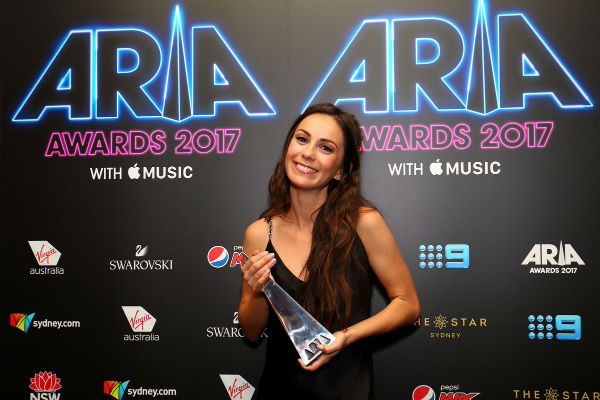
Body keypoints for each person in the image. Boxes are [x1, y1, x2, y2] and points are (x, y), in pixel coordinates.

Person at [238, 103, 420, 399]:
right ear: (288, 148)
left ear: (341, 170)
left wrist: (346, 337)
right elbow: (251, 331)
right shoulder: (259, 233)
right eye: (302, 139)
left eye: (325, 148)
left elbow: (408, 304)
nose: (308, 153)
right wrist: (258, 291)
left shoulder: (364, 223)